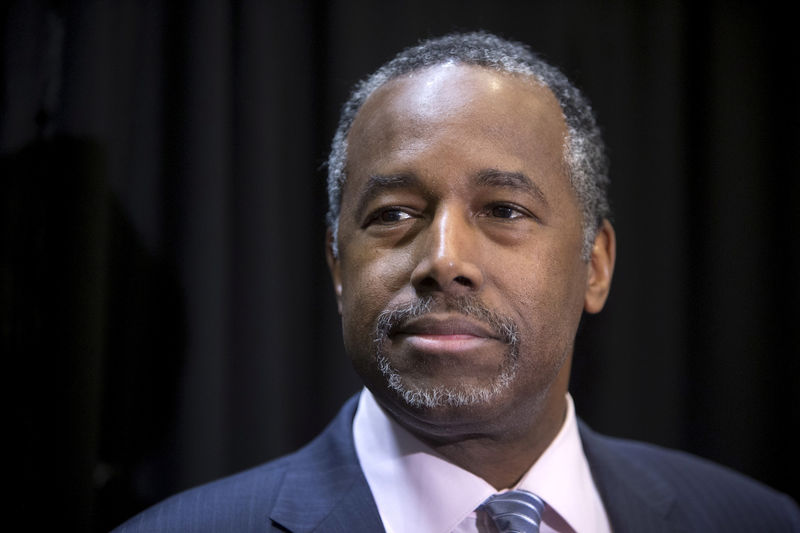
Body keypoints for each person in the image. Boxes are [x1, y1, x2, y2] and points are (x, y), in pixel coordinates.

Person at [114, 32, 800, 533]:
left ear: (595, 264)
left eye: (503, 210)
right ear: (337, 268)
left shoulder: (758, 520)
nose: (443, 258)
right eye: (394, 214)